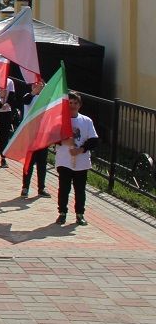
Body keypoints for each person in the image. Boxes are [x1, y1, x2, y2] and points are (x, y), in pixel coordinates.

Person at [56, 91, 98, 226]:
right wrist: (64, 142)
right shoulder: (61, 119)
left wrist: (80, 149)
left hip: (81, 162)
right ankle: (62, 213)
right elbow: (52, 137)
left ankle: (80, 214)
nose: (72, 106)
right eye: (70, 103)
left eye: (75, 103)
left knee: (79, 189)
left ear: (79, 105)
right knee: (64, 188)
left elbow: (93, 140)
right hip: (64, 161)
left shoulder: (86, 121)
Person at [18, 80, 51, 198]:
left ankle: (41, 188)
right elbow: (25, 101)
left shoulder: (48, 99)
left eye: (39, 85)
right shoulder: (28, 96)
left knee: (42, 163)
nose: (36, 86)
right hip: (30, 135)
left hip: (43, 135)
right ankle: (25, 187)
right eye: (34, 84)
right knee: (29, 163)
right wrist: (33, 92)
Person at [0, 71, 16, 167]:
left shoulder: (9, 82)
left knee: (4, 136)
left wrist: (6, 104)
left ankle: (3, 157)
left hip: (6, 112)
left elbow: (12, 96)